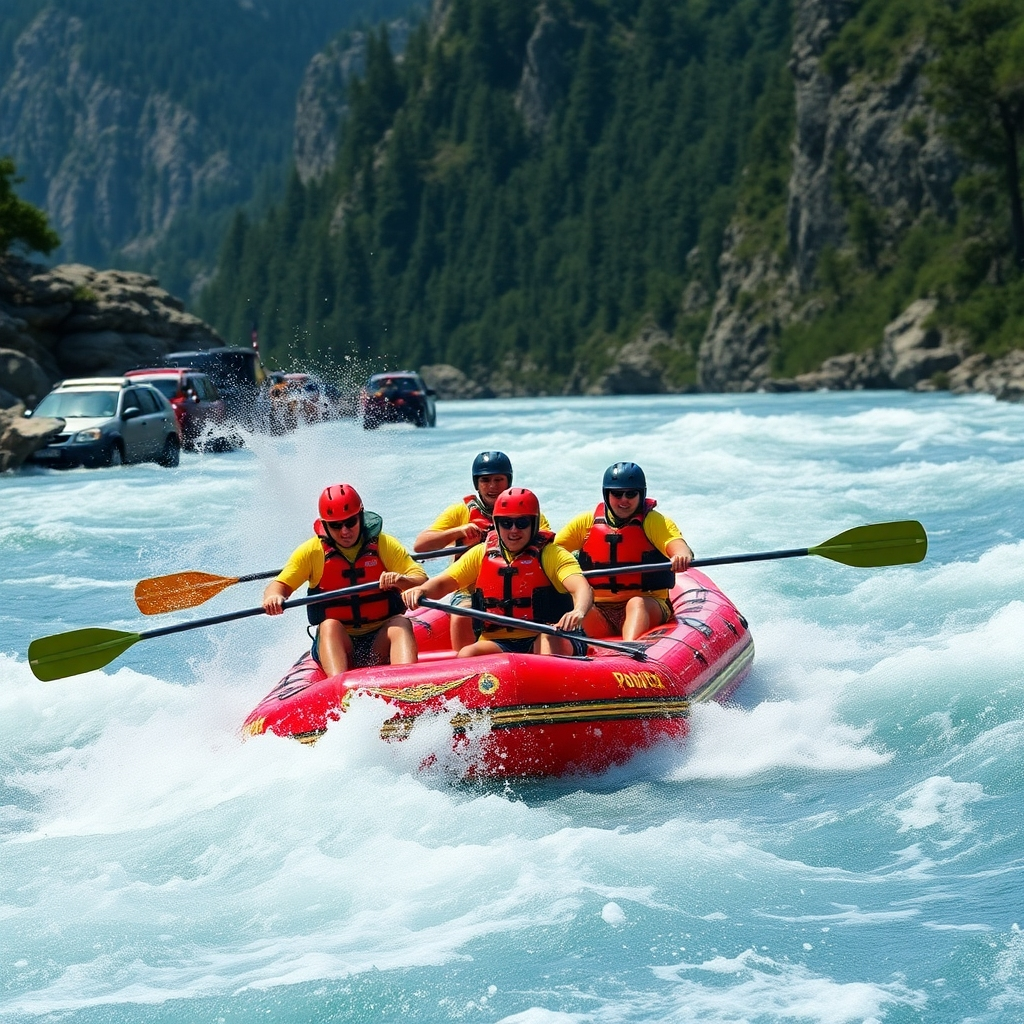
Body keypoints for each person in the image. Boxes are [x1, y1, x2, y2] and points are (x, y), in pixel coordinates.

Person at [403, 487, 593, 658]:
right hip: (500, 641)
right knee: (468, 654)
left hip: (551, 634)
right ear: (497, 523)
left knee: (548, 641)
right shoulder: (481, 553)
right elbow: (445, 582)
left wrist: (579, 610)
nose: (513, 530)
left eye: (522, 523)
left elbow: (580, 587)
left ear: (534, 524)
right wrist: (422, 590)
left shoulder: (552, 554)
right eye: (506, 523)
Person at [262, 483, 427, 676]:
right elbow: (279, 585)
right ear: (324, 524)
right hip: (341, 644)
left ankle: (406, 685)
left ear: (361, 515)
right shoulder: (311, 552)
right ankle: (340, 691)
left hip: (380, 643)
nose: (344, 532)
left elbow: (422, 580)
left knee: (401, 623)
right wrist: (273, 597)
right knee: (329, 625)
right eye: (336, 525)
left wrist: (401, 581)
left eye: (350, 522)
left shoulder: (384, 544)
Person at [413, 451, 551, 650]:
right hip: (469, 588)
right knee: (462, 615)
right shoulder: (460, 512)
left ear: (508, 482)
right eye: (485, 480)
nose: (492, 487)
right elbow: (421, 545)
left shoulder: (526, 513)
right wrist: (457, 532)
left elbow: (545, 541)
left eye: (498, 480)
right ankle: (465, 668)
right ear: (476, 483)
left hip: (519, 589)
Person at [555, 462, 694, 642]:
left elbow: (678, 545)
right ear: (607, 494)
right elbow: (552, 552)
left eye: (631, 494)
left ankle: (631, 653)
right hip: (600, 608)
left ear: (641, 494)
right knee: (577, 611)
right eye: (617, 494)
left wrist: (680, 556)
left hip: (648, 603)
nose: (624, 500)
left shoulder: (653, 522)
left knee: (636, 604)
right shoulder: (586, 522)